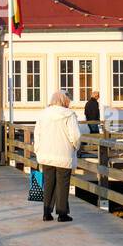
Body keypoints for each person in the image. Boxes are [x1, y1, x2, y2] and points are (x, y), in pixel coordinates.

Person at [33, 90, 81, 222]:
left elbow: (37, 133)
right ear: (64, 101)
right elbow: (76, 136)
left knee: (49, 183)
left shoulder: (43, 114)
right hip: (64, 154)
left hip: (46, 153)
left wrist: (37, 149)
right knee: (63, 184)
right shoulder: (69, 115)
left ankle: (46, 213)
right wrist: (75, 146)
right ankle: (62, 213)